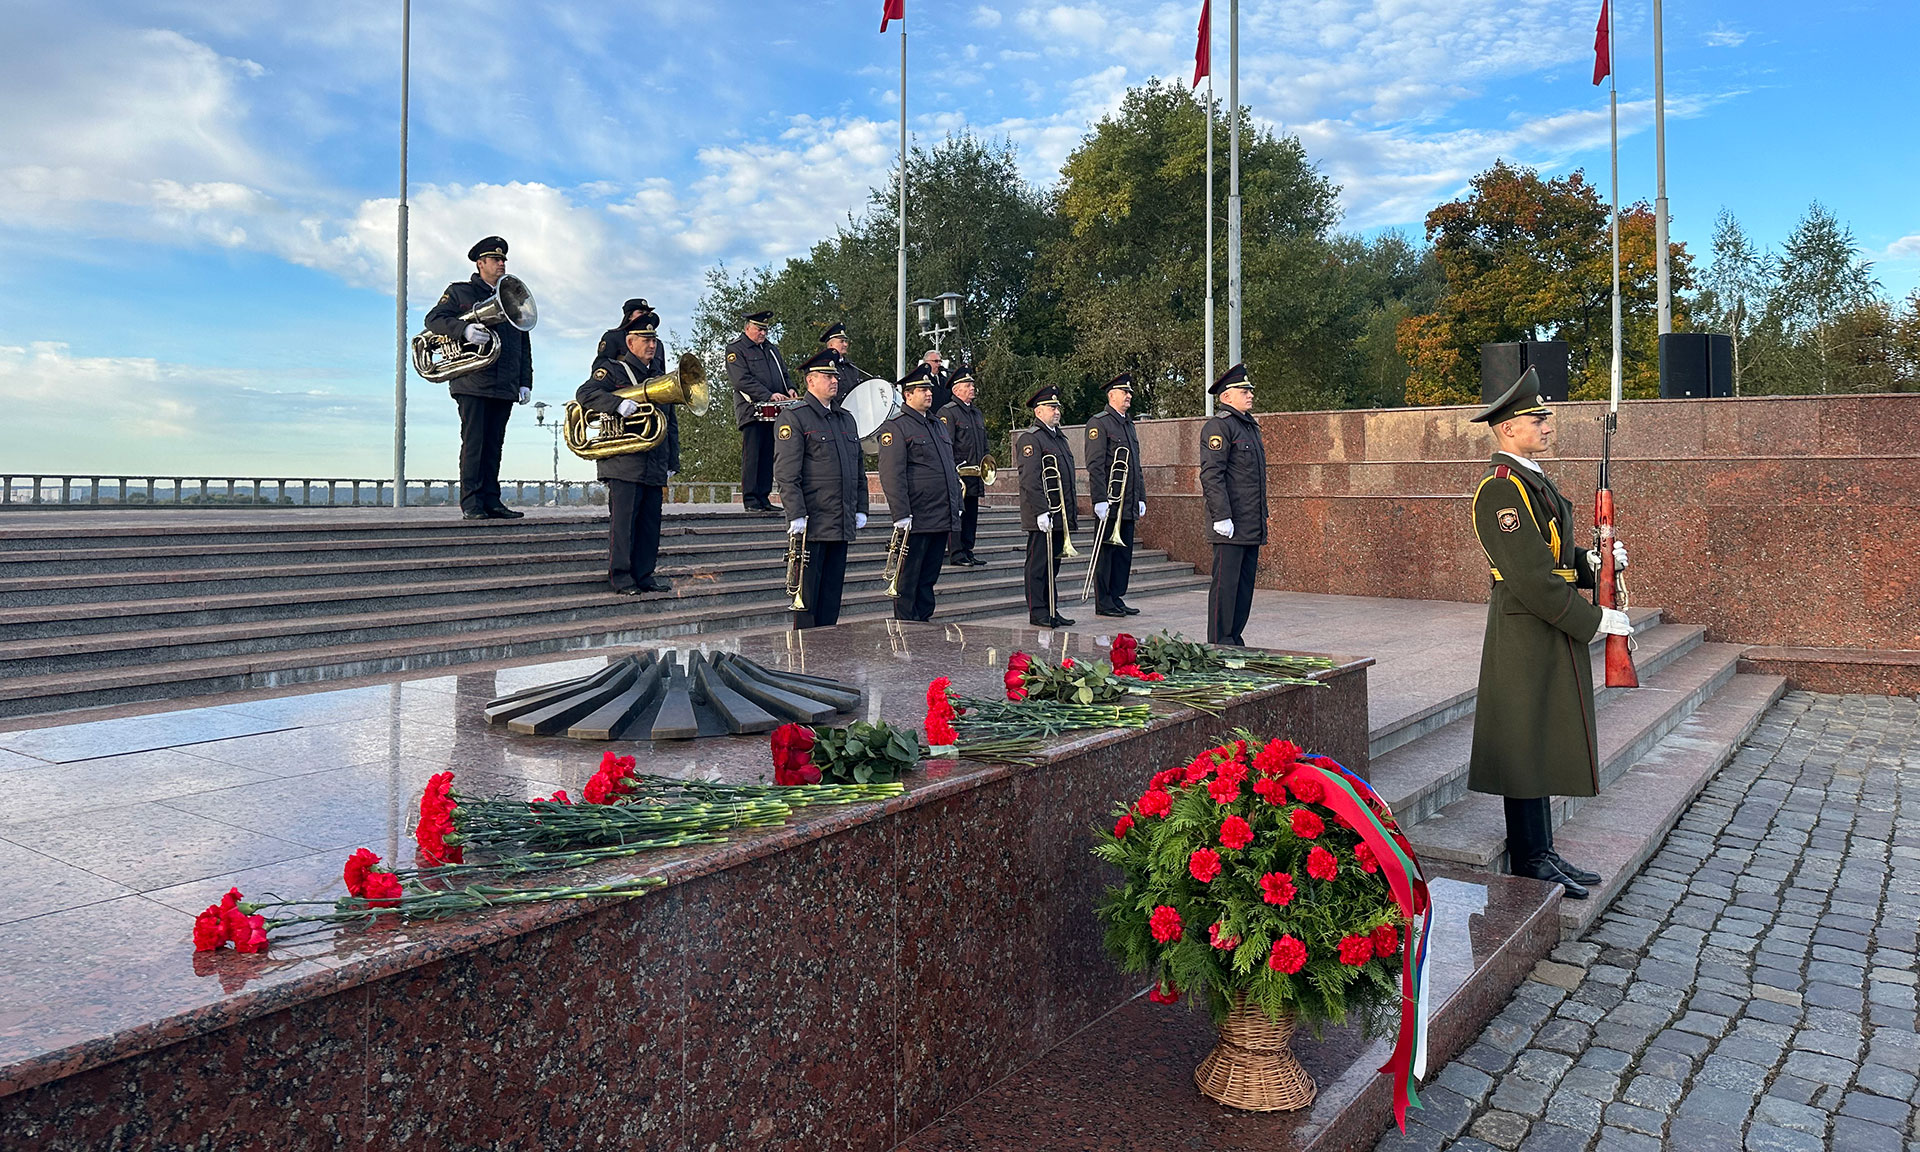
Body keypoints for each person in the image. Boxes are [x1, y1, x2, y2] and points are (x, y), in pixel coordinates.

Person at [1467, 366, 1633, 900]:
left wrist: (1592, 563)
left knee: (1535, 739)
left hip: (1544, 623)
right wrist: (1593, 620)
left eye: (1545, 417)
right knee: (1522, 742)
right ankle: (1529, 858)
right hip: (1525, 626)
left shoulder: (1530, 479)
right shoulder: (1501, 488)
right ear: (1508, 428)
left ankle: (1543, 850)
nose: (1547, 425)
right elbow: (1529, 575)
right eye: (1537, 419)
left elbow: (1552, 554)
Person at [425, 235, 532, 520]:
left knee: (494, 445)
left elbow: (523, 343)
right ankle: (471, 502)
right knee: (474, 444)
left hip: (505, 383)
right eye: (495, 259)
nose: (502, 264)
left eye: (503, 259)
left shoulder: (512, 297)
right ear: (480, 263)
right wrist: (463, 330)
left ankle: (492, 501)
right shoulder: (460, 292)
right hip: (473, 381)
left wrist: (525, 381)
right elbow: (433, 319)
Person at [574, 314, 678, 595]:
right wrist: (616, 404)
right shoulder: (613, 370)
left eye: (654, 340)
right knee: (624, 524)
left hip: (654, 461)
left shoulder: (660, 377)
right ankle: (621, 577)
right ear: (630, 343)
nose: (652, 345)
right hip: (624, 463)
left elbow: (671, 423)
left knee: (650, 525)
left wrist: (673, 461)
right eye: (645, 340)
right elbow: (585, 394)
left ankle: (644, 575)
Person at [774, 349, 868, 629]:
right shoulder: (795, 417)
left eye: (835, 376)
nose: (834, 380)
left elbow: (858, 469)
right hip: (812, 522)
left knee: (831, 597)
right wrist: (795, 513)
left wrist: (861, 507)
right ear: (810, 381)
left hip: (840, 520)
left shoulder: (846, 419)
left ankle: (828, 649)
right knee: (808, 599)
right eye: (827, 376)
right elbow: (787, 472)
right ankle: (805, 651)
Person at [876, 364, 962, 622]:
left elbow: (949, 468)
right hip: (917, 515)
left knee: (929, 576)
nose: (929, 393)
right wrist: (901, 513)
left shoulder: (937, 425)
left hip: (940, 513)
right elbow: (892, 474)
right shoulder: (896, 427)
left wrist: (956, 503)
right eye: (922, 390)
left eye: (929, 389)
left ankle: (923, 623)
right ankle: (906, 625)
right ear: (907, 395)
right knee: (909, 577)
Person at [1198, 364, 1266, 645]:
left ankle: (1234, 638)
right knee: (1225, 587)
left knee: (1243, 587)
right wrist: (1221, 516)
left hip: (1250, 521)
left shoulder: (1249, 426)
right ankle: (1219, 642)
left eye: (1249, 390)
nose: (1250, 395)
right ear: (1226, 396)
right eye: (1243, 391)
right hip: (1231, 523)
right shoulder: (1219, 426)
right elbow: (1212, 474)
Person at [1015, 385, 1078, 628]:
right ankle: (1038, 612)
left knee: (1053, 567)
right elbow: (1030, 480)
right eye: (1051, 407)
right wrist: (1042, 511)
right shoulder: (1031, 439)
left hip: (1059, 514)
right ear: (1038, 411)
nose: (1057, 411)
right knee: (1038, 566)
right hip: (1041, 515)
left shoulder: (1058, 437)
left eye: (1057, 407)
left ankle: (1052, 609)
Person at [1085, 372, 1146, 618]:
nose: (1129, 395)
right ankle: (1104, 601)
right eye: (1124, 392)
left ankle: (1117, 596)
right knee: (1106, 554)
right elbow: (1095, 465)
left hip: (1128, 500)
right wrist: (1100, 499)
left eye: (1129, 392)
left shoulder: (1128, 424)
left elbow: (1135, 465)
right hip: (1111, 501)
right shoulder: (1099, 423)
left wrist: (1141, 496)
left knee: (1123, 554)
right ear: (1112, 396)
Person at [727, 310, 792, 514]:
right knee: (753, 454)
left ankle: (763, 497)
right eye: (759, 329)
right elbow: (741, 380)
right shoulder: (736, 349)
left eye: (765, 329)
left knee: (768, 454)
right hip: (751, 410)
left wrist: (789, 388)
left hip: (774, 411)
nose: (763, 333)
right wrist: (768, 395)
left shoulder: (771, 349)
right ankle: (751, 499)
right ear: (748, 328)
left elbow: (783, 373)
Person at [936, 367, 989, 567]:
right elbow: (946, 444)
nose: (972, 388)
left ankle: (968, 550)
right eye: (967, 385)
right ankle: (956, 553)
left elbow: (983, 444)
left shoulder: (976, 413)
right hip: (959, 474)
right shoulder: (948, 412)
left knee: (971, 514)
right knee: (958, 513)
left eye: (972, 385)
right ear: (956, 390)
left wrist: (986, 464)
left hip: (975, 473)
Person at [595, 298, 666, 374]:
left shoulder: (658, 344)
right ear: (629, 316)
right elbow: (600, 366)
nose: (645, 315)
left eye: (647, 312)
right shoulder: (613, 337)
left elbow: (661, 370)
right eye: (641, 312)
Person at [821, 322, 867, 411]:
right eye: (841, 341)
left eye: (846, 341)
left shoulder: (851, 366)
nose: (845, 344)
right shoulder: (825, 368)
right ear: (831, 345)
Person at [921, 348, 953, 413]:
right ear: (926, 362)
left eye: (940, 361)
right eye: (936, 361)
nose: (939, 364)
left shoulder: (945, 380)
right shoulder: (922, 380)